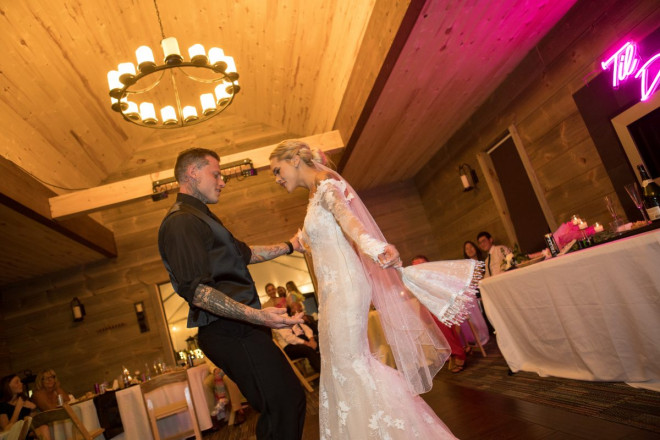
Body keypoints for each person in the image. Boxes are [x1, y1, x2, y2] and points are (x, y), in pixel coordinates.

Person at [270, 139, 481, 439]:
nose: (277, 179)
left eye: (277, 170)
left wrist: (374, 246)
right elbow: (309, 240)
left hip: (346, 288)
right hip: (330, 294)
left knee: (351, 364)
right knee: (338, 365)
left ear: (294, 159)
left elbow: (350, 223)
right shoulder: (312, 197)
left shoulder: (326, 184)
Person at [158, 148, 306, 440]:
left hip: (242, 328)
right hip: (228, 331)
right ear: (192, 173)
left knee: (284, 403)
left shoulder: (203, 218)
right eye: (216, 174)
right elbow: (198, 293)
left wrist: (290, 246)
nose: (222, 181)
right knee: (284, 404)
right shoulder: (181, 222)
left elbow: (245, 254)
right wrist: (259, 315)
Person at [412, 255, 467, 373]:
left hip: (449, 305)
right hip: (432, 309)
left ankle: (458, 353)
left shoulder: (438, 275)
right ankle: (452, 350)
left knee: (440, 318)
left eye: (422, 264)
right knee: (428, 318)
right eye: (416, 266)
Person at [0, 374, 51, 440]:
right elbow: (6, 430)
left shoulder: (24, 400)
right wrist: (18, 408)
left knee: (44, 428)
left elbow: (33, 423)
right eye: (16, 382)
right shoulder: (2, 406)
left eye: (20, 381)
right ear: (7, 386)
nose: (21, 384)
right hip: (13, 437)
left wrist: (34, 409)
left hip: (27, 433)